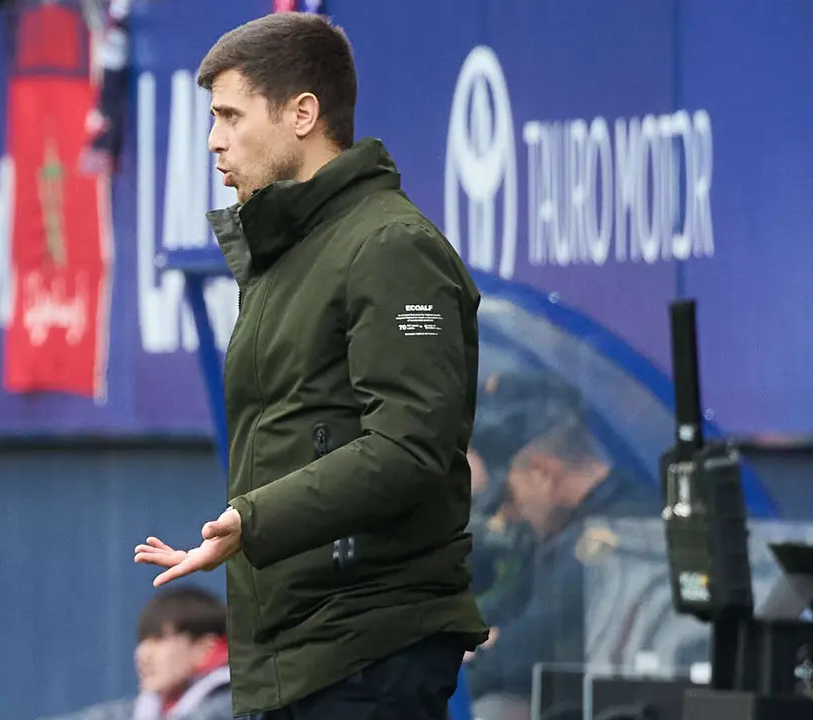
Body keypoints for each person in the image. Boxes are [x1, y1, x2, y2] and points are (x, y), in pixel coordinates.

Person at [133, 12, 488, 720]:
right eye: (213, 118)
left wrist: (254, 518)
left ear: (302, 114)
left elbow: (410, 446)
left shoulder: (392, 247)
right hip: (297, 657)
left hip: (368, 656)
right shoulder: (287, 254)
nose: (214, 140)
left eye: (230, 115)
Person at [461, 372, 662, 717]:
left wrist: (486, 649)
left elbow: (528, 651)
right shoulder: (567, 532)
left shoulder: (619, 536)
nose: (509, 513)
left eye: (509, 495)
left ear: (544, 473)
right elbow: (506, 615)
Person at [44, 586, 232, 720]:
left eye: (159, 640)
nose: (143, 654)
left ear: (206, 649)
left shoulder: (235, 709)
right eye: (142, 641)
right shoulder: (149, 709)